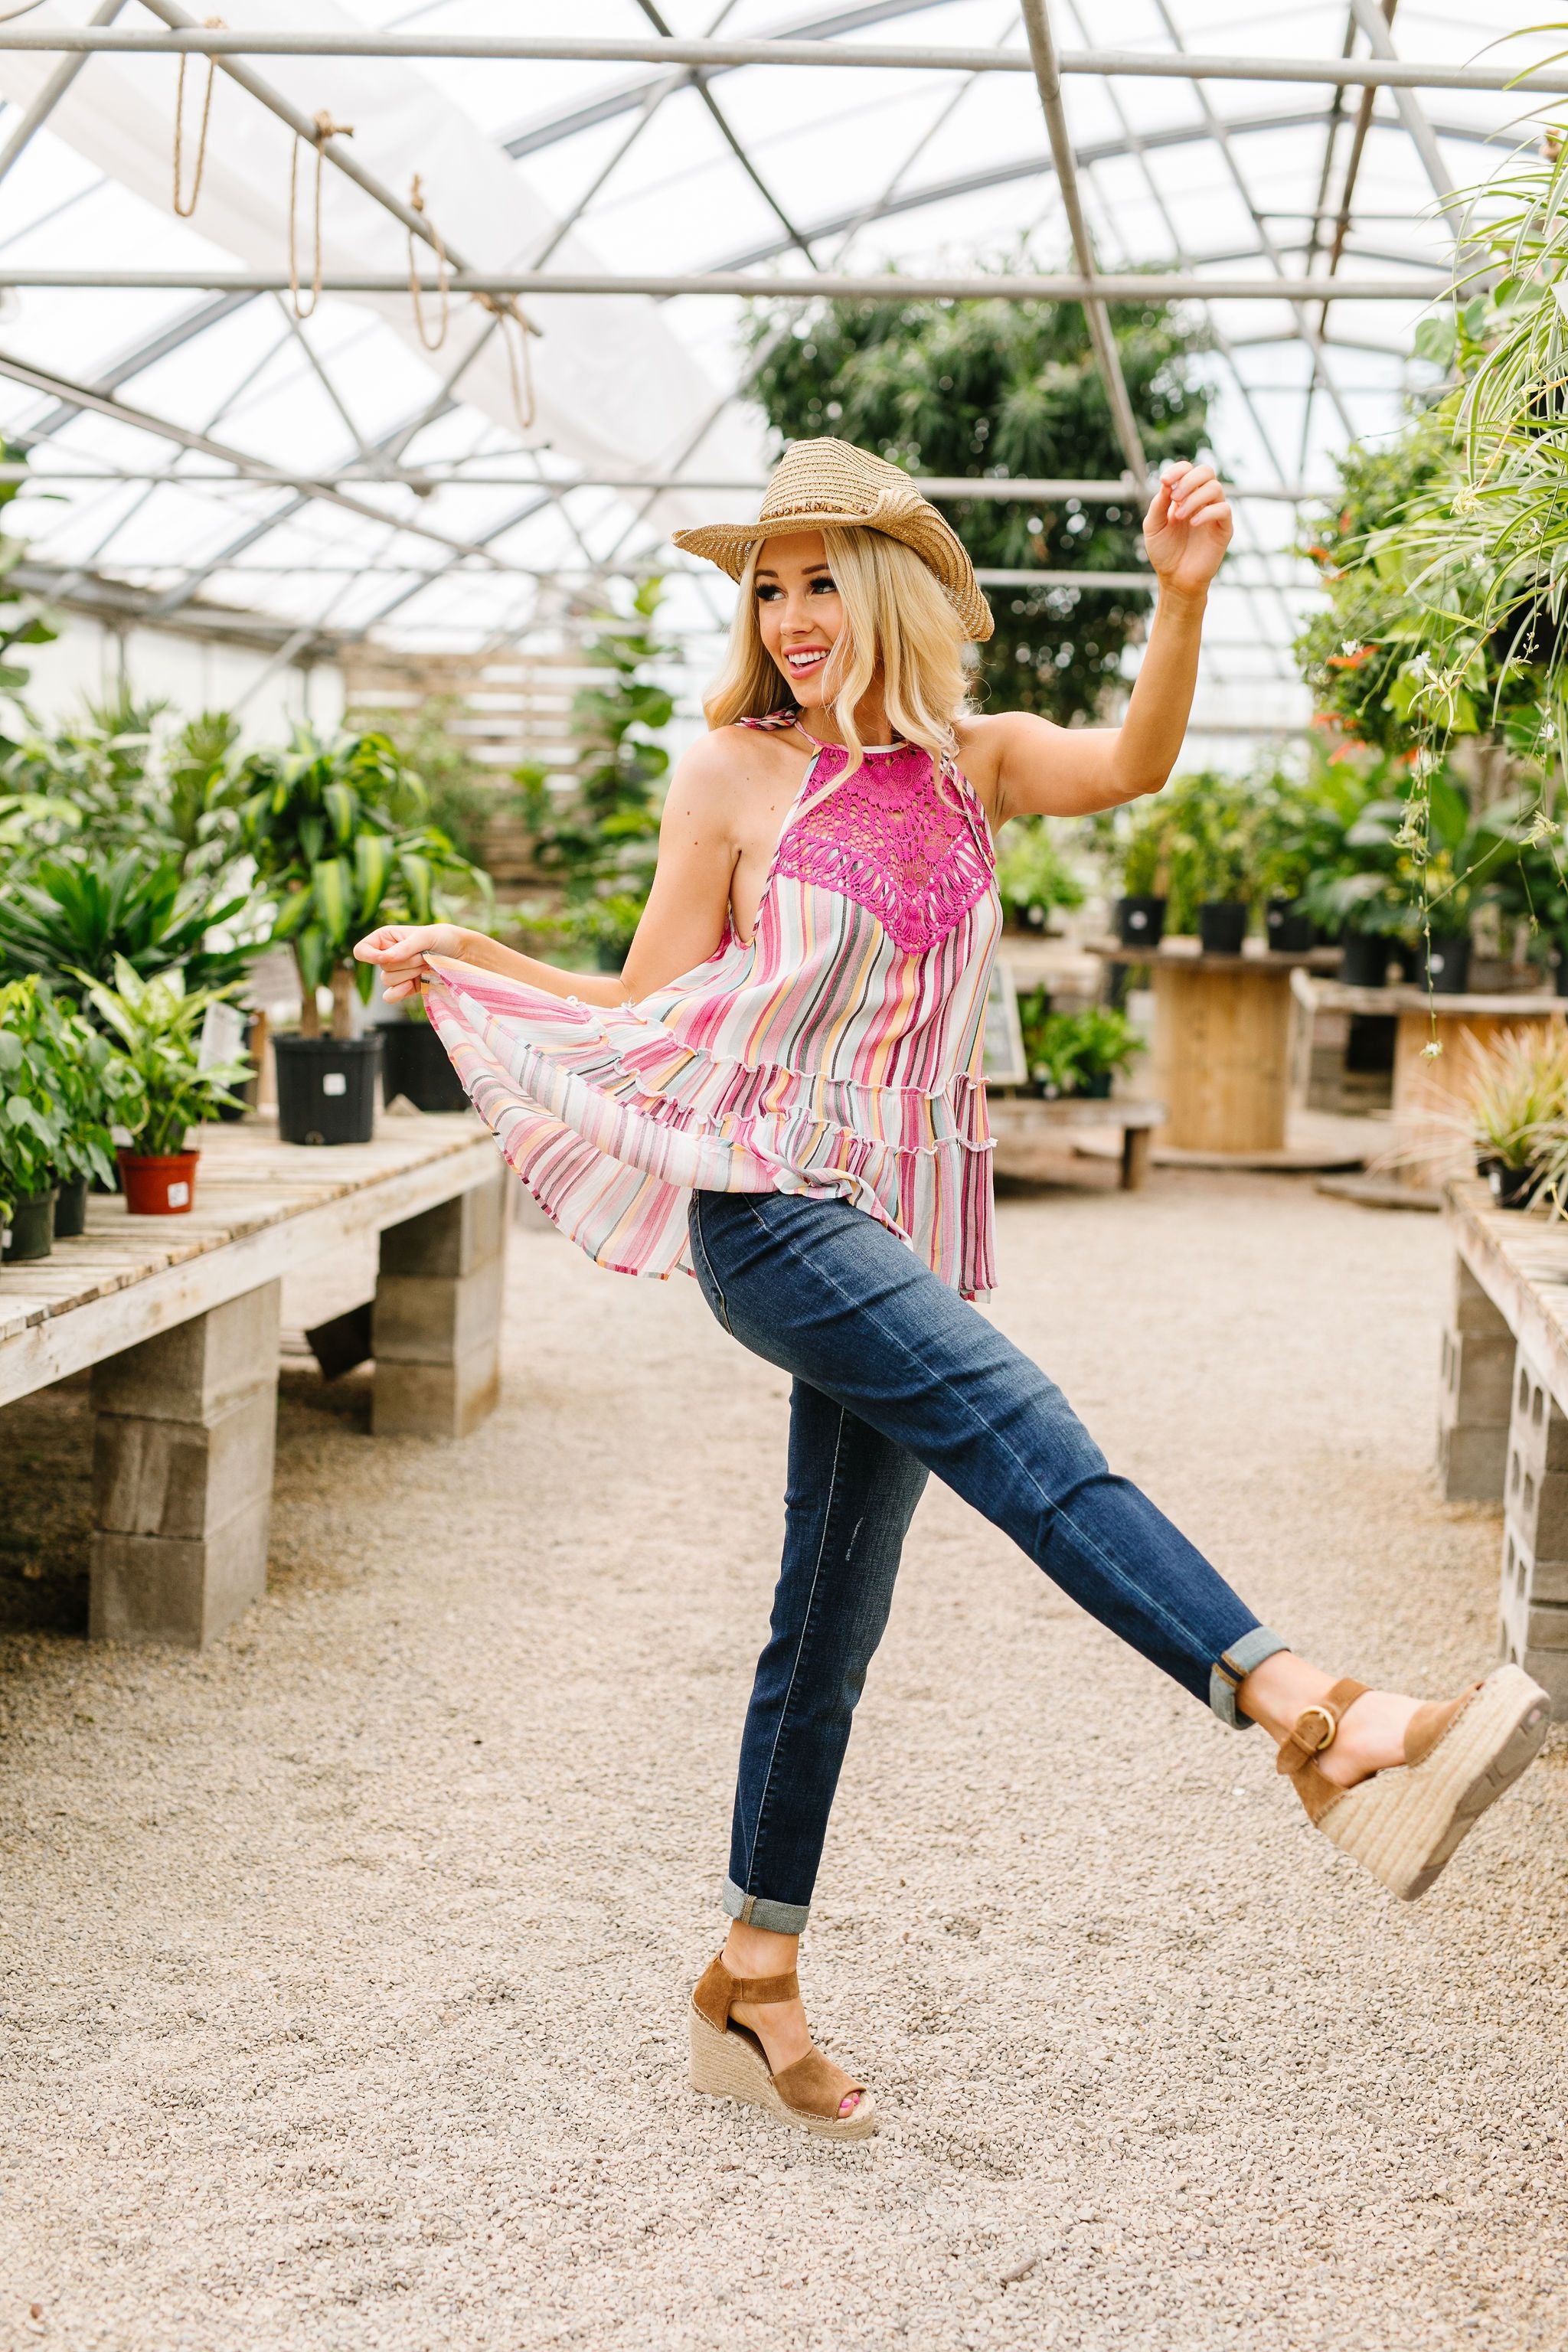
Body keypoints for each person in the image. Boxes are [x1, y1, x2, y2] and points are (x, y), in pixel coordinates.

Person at [355, 438, 1549, 2144]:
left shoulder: (970, 767)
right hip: (767, 1207)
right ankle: (1317, 1714)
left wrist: (1179, 600)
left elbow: (1134, 764)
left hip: (903, 1218)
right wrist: (471, 960)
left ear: (894, 589)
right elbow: (640, 998)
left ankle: (749, 1978)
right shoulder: (730, 773)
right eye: (766, 587)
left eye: (820, 577)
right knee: (1019, 1426)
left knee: (826, 1617)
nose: (788, 616)